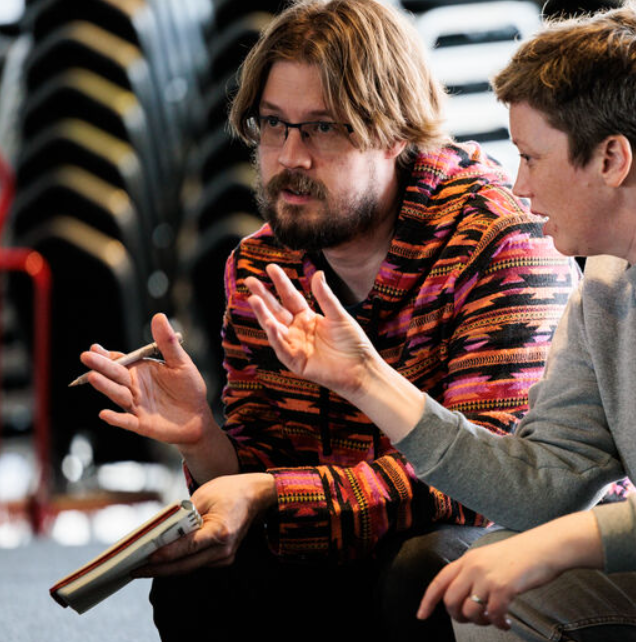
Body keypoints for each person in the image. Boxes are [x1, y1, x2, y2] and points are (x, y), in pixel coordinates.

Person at [240, 3, 636, 641]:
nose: (519, 185)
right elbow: (545, 485)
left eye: (532, 158)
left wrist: (561, 544)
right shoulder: (606, 284)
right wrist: (367, 380)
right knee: (479, 587)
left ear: (611, 160)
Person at [78, 0, 577, 639]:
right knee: (204, 582)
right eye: (274, 126)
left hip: (494, 536)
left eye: (322, 129)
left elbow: (488, 480)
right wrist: (203, 439)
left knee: (423, 572)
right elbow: (264, 476)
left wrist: (272, 495)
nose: (291, 158)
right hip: (352, 535)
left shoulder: (499, 240)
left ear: (395, 131)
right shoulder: (262, 264)